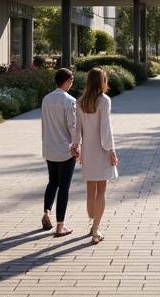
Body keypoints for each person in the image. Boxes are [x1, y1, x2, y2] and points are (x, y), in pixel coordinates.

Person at [78, 68, 119, 244]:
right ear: (102, 81)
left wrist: (76, 147)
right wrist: (111, 150)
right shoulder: (104, 100)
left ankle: (92, 224)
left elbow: (76, 129)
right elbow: (105, 129)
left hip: (87, 150)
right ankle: (96, 228)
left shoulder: (80, 101)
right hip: (101, 150)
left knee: (90, 190)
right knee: (101, 190)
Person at [40, 68, 80, 237]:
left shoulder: (46, 99)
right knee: (64, 186)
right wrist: (77, 146)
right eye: (71, 80)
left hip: (49, 147)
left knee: (52, 181)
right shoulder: (69, 100)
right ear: (67, 80)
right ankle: (60, 225)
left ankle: (46, 212)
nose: (72, 84)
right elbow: (73, 125)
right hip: (65, 148)